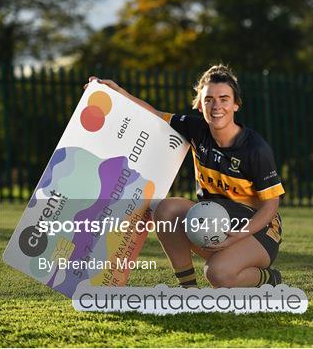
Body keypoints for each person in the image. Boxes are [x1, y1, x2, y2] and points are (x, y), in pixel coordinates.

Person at [84, 64, 284, 289]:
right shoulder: (195, 129)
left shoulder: (255, 149)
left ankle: (269, 278)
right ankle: (188, 290)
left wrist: (238, 236)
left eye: (224, 99)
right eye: (209, 99)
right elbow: (154, 116)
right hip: (214, 222)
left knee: (218, 275)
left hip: (258, 231)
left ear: (236, 104)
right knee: (165, 210)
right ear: (200, 104)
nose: (216, 106)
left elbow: (271, 207)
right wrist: (118, 92)